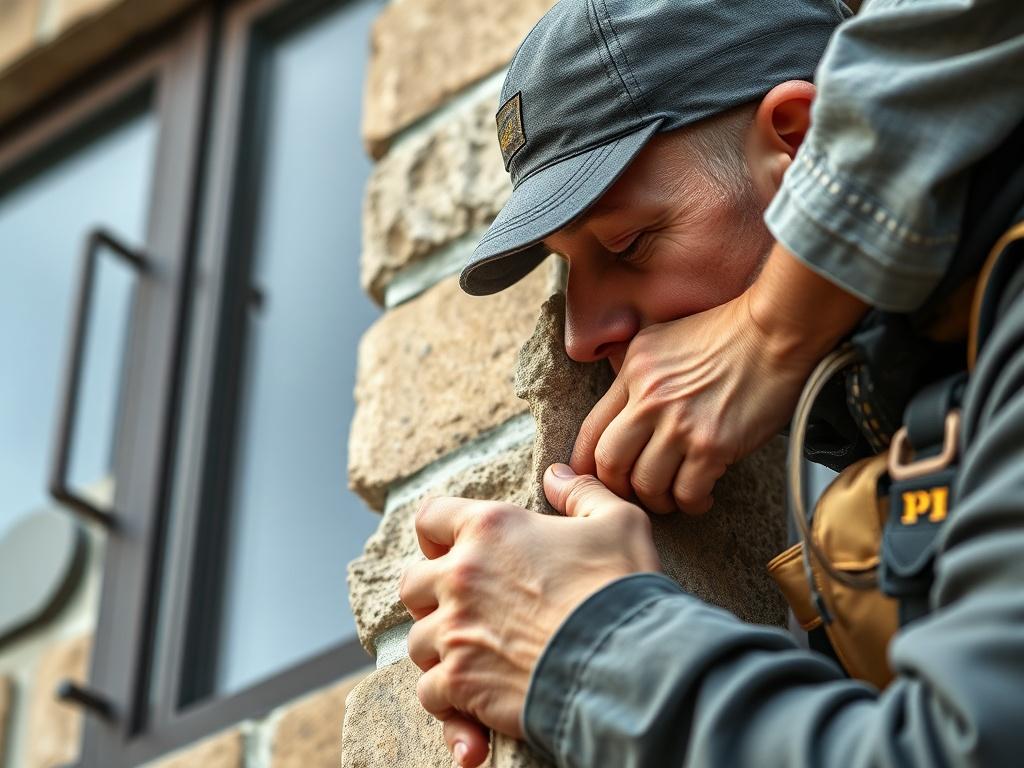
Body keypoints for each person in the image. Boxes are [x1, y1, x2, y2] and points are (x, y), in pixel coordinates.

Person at [399, 0, 1024, 766]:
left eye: (627, 243)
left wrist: (589, 650)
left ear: (795, 142)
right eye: (567, 270)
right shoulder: (909, 398)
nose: (579, 334)